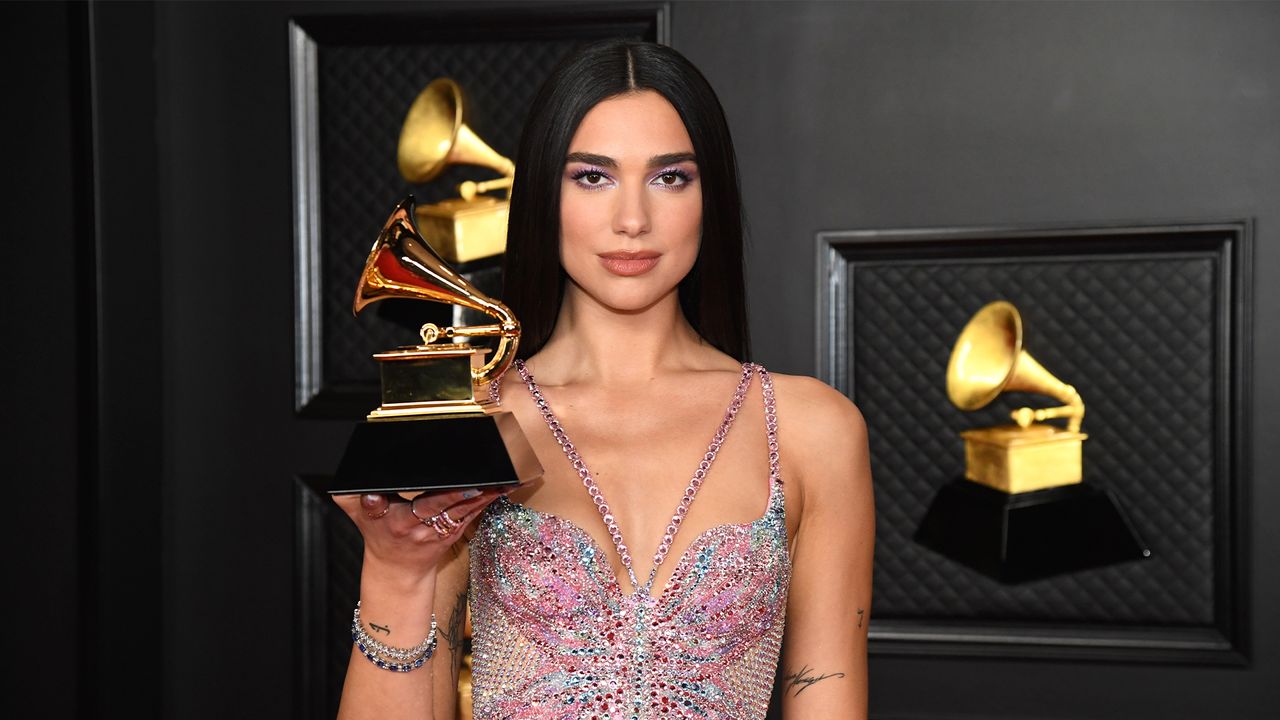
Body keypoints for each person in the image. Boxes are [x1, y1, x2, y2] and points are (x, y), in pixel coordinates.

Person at [334, 39, 874, 720]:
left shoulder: (812, 429)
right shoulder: (473, 424)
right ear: (541, 193)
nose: (632, 220)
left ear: (712, 195)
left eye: (670, 177)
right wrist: (394, 575)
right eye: (592, 176)